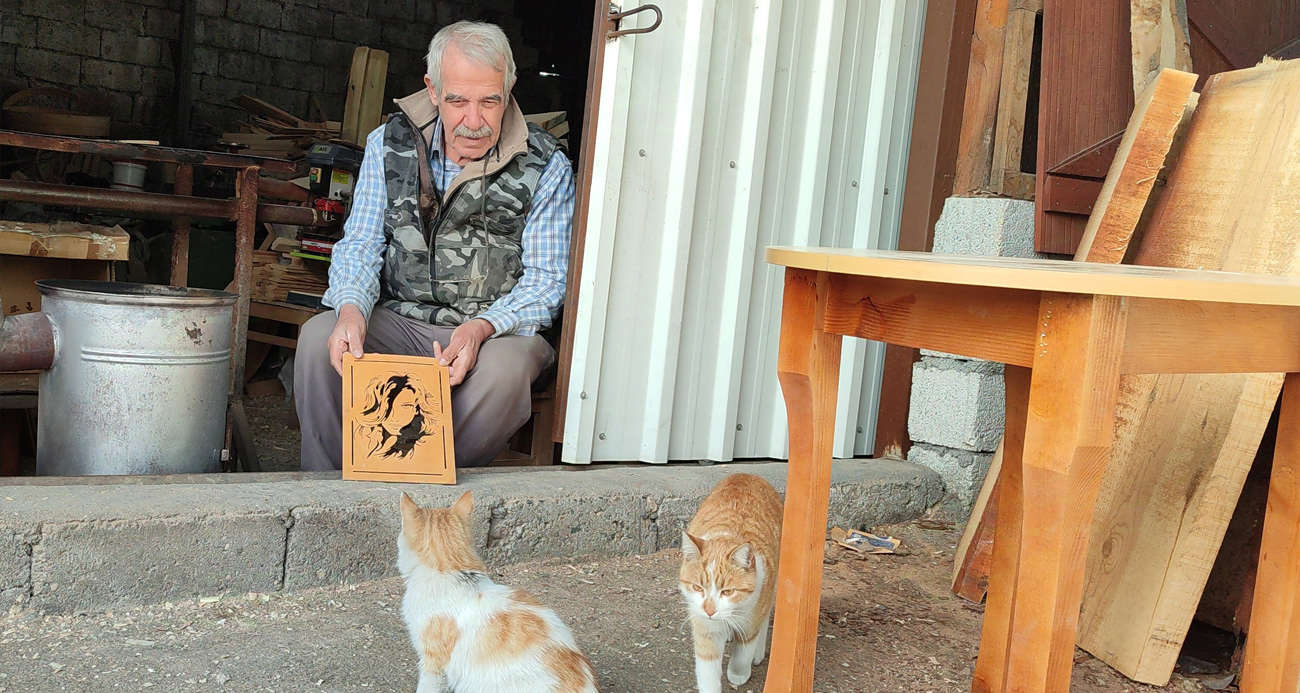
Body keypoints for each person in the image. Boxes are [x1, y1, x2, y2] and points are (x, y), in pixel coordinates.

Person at [295, 20, 574, 470]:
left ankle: (423, 490)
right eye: (458, 101)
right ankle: (329, 495)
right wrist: (350, 310)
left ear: (510, 88)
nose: (474, 121)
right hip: (401, 320)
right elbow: (361, 244)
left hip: (492, 333)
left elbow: (547, 281)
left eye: (490, 101)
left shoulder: (546, 165)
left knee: (506, 374)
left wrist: (483, 326)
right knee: (318, 339)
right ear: (432, 88)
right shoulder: (389, 144)